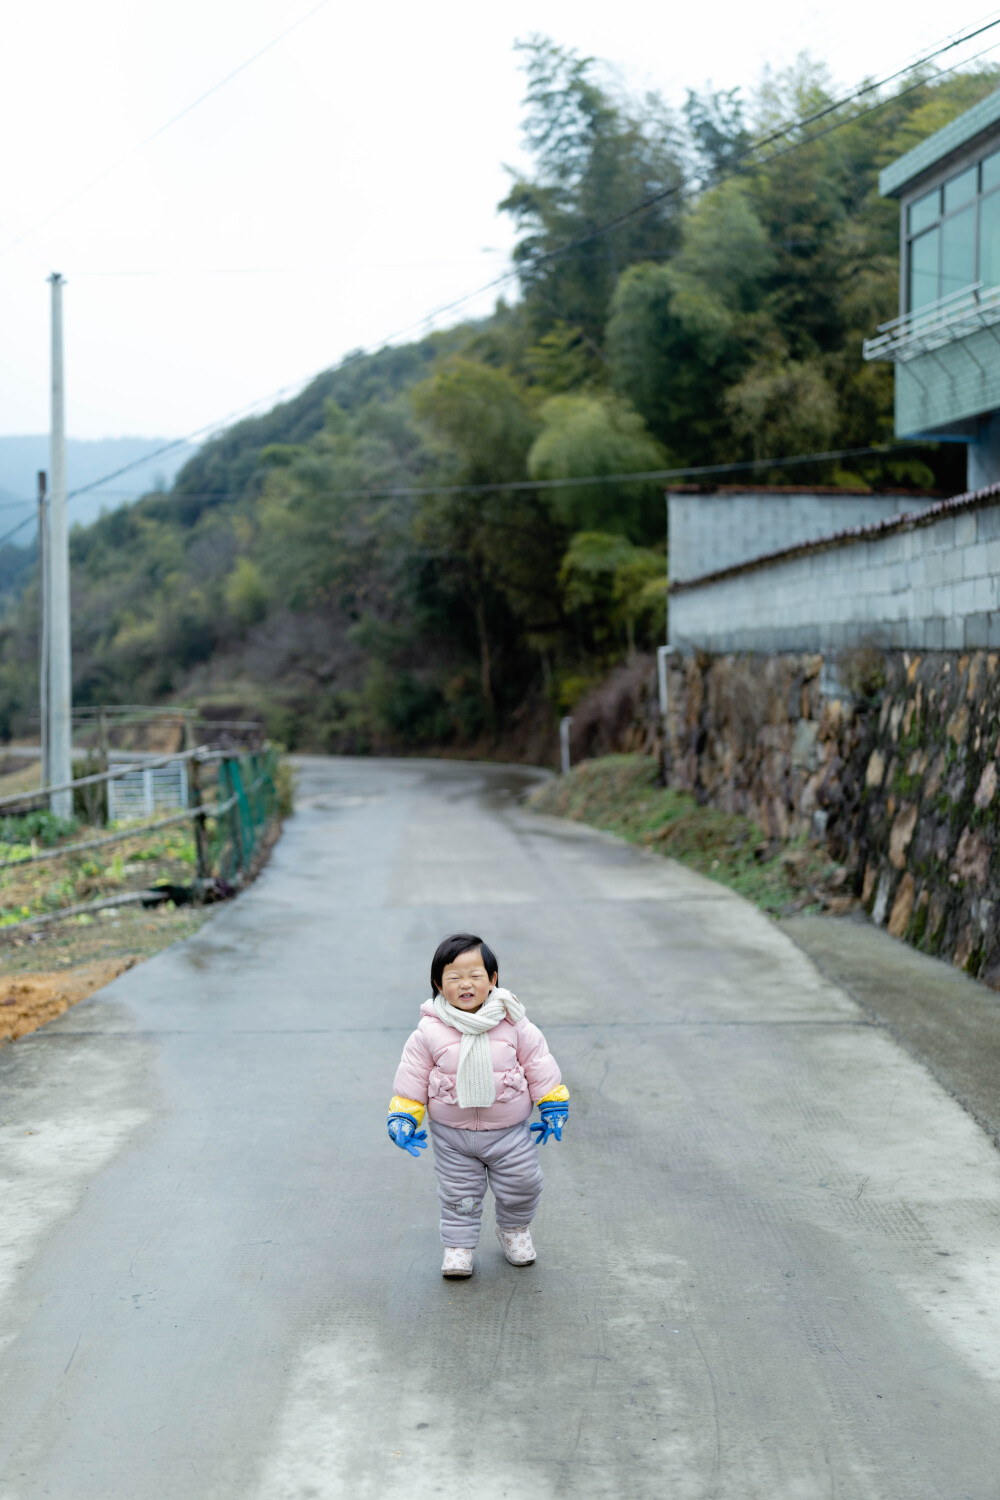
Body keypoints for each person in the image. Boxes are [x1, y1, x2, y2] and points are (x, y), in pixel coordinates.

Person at [387, 932, 570, 1278]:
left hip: (509, 1132)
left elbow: (538, 1063)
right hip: (453, 1136)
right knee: (460, 1193)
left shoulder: (514, 1023)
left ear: (493, 980)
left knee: (523, 1183)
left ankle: (513, 1230)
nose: (465, 984)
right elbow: (412, 1077)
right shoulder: (428, 1032)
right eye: (454, 977)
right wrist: (403, 1116)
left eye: (475, 976)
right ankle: (459, 1246)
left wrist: (552, 1104)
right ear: (438, 985)